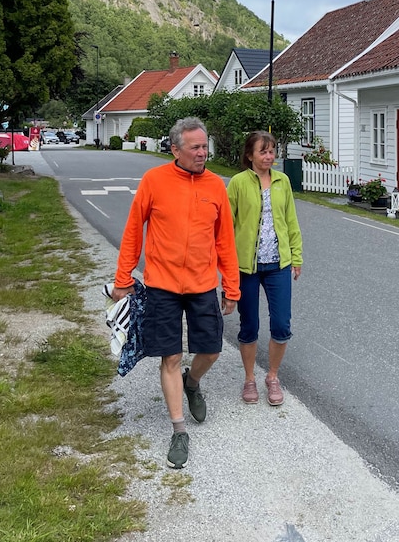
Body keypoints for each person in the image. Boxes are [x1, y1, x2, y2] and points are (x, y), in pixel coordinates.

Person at [109, 117, 239, 469]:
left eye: (205, 146)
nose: (202, 153)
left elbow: (225, 240)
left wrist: (231, 286)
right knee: (170, 357)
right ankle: (179, 430)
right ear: (175, 149)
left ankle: (191, 382)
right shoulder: (154, 180)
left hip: (202, 284)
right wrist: (123, 277)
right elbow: (133, 231)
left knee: (211, 350)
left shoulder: (216, 186)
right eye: (195, 147)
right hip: (162, 285)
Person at [226, 131, 303, 406]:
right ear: (250, 155)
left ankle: (272, 376)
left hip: (278, 264)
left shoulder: (283, 181)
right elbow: (226, 226)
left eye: (272, 151)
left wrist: (296, 256)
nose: (269, 156)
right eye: (263, 151)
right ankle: (249, 379)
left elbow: (291, 221)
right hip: (246, 266)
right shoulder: (237, 183)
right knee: (249, 325)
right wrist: (226, 267)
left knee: (281, 324)